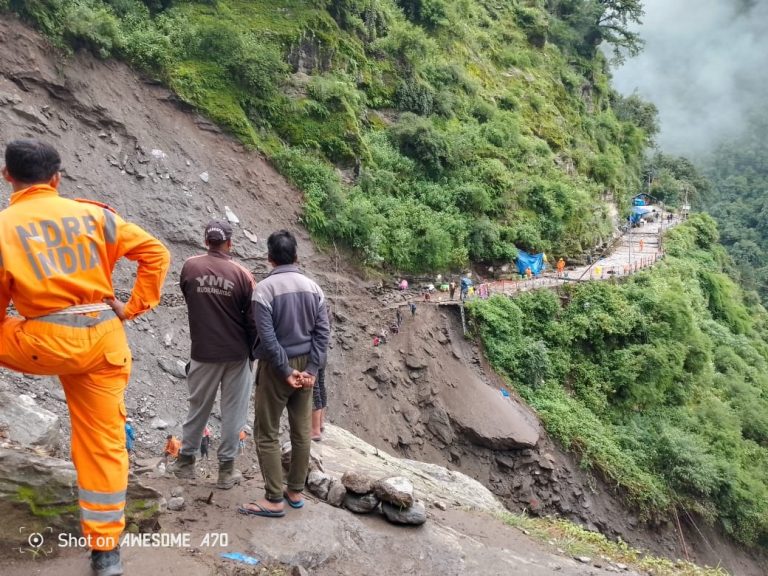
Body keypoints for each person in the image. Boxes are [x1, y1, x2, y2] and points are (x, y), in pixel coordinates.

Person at [0, 139, 170, 576]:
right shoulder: (95, 215)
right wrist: (133, 307)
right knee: (104, 445)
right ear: (56, 179)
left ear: (8, 177)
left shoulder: (4, 227)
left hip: (43, 342)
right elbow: (156, 253)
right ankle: (106, 553)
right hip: (104, 342)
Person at [239, 230, 330, 518]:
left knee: (267, 431)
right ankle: (295, 492)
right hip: (306, 366)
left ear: (269, 258)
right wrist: (311, 370)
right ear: (296, 257)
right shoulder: (314, 288)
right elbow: (322, 332)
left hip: (276, 366)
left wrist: (285, 369)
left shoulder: (264, 290)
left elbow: (266, 336)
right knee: (301, 431)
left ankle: (273, 498)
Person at [167, 220, 257, 490]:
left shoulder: (190, 267)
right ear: (229, 243)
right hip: (236, 354)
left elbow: (189, 297)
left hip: (203, 352)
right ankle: (226, 472)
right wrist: (252, 353)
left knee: (198, 408)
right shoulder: (242, 274)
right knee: (233, 414)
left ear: (206, 241)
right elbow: (253, 320)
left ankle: (185, 463)